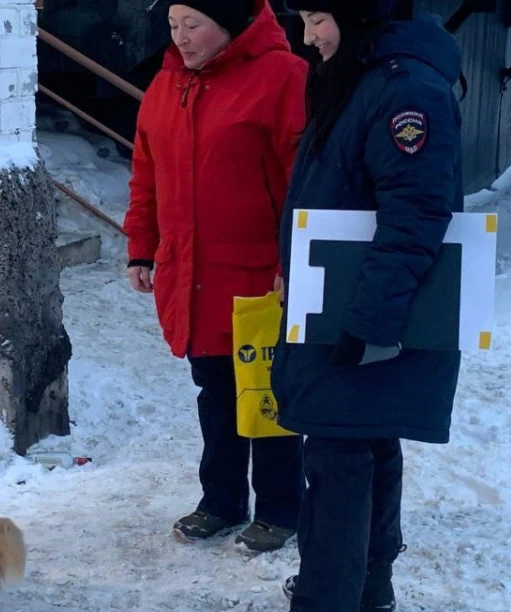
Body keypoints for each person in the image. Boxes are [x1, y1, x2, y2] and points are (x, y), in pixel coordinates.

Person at [234, 0, 464, 612]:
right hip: (339, 295)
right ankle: (365, 583)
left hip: (363, 305)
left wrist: (368, 322)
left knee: (336, 452)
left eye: (318, 19)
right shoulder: (366, 73)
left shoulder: (404, 88)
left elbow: (416, 211)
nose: (308, 38)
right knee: (367, 436)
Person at [123, 0, 307, 553]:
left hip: (258, 275)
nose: (180, 37)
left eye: (193, 25)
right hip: (192, 274)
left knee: (267, 393)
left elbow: (303, 181)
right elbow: (146, 173)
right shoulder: (166, 85)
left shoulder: (282, 78)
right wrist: (142, 247)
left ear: (229, 24)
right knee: (215, 392)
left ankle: (281, 507)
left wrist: (291, 262)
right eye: (173, 26)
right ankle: (221, 501)